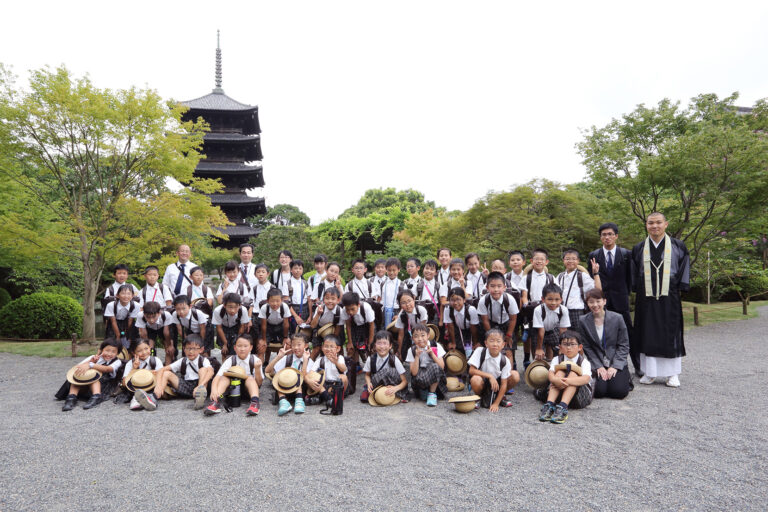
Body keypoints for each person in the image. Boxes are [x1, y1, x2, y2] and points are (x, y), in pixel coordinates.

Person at [632, 212, 690, 387]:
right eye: (651, 223)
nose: (654, 226)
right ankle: (650, 373)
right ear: (646, 225)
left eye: (658, 222)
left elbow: (684, 267)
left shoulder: (678, 246)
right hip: (646, 297)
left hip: (669, 296)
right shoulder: (639, 247)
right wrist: (635, 288)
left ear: (666, 224)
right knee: (647, 332)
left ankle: (672, 374)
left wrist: (681, 286)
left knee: (670, 333)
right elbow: (635, 273)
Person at [589, 223, 636, 375]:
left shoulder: (626, 254)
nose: (607, 237)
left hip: (621, 299)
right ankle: (603, 365)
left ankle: (637, 365)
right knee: (601, 332)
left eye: (610, 234)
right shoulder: (594, 255)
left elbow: (631, 278)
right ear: (600, 237)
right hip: (601, 301)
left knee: (627, 333)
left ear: (616, 236)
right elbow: (592, 280)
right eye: (604, 234)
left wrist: (625, 293)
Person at [578, 289, 631, 399]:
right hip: (597, 360)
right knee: (599, 392)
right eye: (591, 302)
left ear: (604, 301)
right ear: (587, 303)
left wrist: (615, 366)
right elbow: (586, 346)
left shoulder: (617, 318)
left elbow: (623, 345)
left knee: (618, 392)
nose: (595, 305)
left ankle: (625, 377)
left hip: (615, 359)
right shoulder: (583, 320)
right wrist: (598, 366)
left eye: (598, 301)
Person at [537, 330, 593, 424]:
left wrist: (566, 381)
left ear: (580, 347)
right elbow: (550, 374)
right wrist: (556, 380)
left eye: (572, 344)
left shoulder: (584, 362)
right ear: (560, 347)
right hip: (558, 392)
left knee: (574, 373)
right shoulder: (556, 359)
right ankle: (549, 404)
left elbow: (586, 379)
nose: (569, 348)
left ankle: (563, 407)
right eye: (565, 344)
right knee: (559, 372)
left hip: (579, 397)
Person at [57, 339, 122, 411]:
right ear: (101, 350)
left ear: (117, 353)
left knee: (95, 379)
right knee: (78, 376)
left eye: (113, 352)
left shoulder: (117, 361)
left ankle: (96, 396)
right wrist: (91, 361)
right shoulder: (94, 358)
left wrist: (91, 365)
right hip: (85, 386)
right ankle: (72, 397)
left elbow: (107, 369)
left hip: (103, 386)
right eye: (107, 350)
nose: (109, 354)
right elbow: (78, 367)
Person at [205, 334, 263, 416]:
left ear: (251, 348)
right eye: (239, 346)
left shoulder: (255, 360)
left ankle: (255, 403)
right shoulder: (230, 360)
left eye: (245, 346)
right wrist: (214, 390)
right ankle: (215, 401)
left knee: (250, 378)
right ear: (235, 348)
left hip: (248, 391)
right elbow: (217, 376)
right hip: (232, 391)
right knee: (224, 377)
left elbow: (259, 383)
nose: (242, 349)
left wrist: (257, 369)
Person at [150, 334, 212, 410]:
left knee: (203, 370)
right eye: (188, 348)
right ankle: (154, 398)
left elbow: (211, 372)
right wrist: (158, 385)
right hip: (186, 385)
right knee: (166, 373)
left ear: (201, 350)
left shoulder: (204, 360)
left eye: (194, 349)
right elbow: (162, 370)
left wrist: (200, 386)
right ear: (183, 349)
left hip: (200, 385)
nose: (191, 351)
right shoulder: (182, 360)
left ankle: (199, 399)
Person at [477, 271, 519, 369]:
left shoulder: (510, 299)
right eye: (492, 286)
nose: (496, 289)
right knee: (491, 348)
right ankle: (491, 372)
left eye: (499, 286)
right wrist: (490, 335)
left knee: (508, 350)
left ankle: (509, 373)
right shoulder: (483, 300)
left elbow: (513, 319)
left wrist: (508, 335)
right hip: (490, 325)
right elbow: (485, 320)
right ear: (487, 288)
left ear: (504, 287)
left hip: (506, 324)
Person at [468, 329, 518, 411]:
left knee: (515, 375)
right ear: (486, 343)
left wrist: (496, 403)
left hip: (497, 384)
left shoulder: (505, 360)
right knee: (475, 379)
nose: (495, 344)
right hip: (483, 381)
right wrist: (490, 376)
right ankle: (479, 397)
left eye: (498, 341)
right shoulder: (480, 351)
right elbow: (471, 370)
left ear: (503, 345)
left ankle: (501, 397)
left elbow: (504, 384)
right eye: (491, 341)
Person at [263, 333, 310, 416]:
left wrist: (305, 361)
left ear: (306, 345)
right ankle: (284, 402)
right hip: (285, 389)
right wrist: (278, 357)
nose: (296, 348)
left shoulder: (309, 360)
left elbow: (304, 377)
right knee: (279, 377)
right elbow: (267, 370)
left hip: (300, 390)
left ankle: (299, 402)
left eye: (299, 345)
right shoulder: (287, 358)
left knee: (297, 376)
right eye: (293, 345)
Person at [340, 292, 376, 394]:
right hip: (355, 326)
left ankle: (372, 371)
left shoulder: (366, 308)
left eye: (352, 309)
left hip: (367, 326)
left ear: (358, 305)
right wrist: (350, 342)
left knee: (371, 349)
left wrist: (370, 341)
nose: (350, 312)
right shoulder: (344, 311)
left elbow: (371, 325)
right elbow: (348, 325)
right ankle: (355, 369)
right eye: (348, 309)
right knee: (353, 348)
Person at [405, 323, 447, 406]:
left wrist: (432, 354)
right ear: (413, 338)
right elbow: (414, 373)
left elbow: (441, 367)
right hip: (420, 378)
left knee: (435, 366)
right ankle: (424, 391)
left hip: (435, 377)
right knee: (423, 397)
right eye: (416, 336)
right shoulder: (412, 349)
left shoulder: (436, 345)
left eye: (422, 335)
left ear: (428, 335)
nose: (420, 339)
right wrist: (417, 356)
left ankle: (432, 393)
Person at [361, 330, 408, 403]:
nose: (382, 346)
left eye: (385, 343)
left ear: (390, 346)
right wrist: (368, 383)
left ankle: (394, 394)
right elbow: (367, 375)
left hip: (391, 385)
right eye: (379, 343)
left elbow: (404, 381)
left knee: (390, 371)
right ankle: (374, 393)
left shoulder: (394, 359)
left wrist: (396, 388)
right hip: (377, 384)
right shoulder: (371, 359)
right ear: (375, 345)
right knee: (384, 373)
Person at [556, 249, 599, 329]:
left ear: (578, 261)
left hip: (577, 311)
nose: (570, 261)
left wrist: (596, 273)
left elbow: (598, 290)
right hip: (561, 310)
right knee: (563, 337)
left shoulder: (582, 276)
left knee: (579, 337)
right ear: (563, 260)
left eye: (573, 259)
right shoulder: (560, 276)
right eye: (567, 259)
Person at [117, 338, 162, 409]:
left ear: (150, 348)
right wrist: (134, 369)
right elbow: (124, 382)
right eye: (139, 351)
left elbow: (161, 376)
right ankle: (137, 399)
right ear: (133, 353)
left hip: (152, 388)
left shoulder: (156, 360)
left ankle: (145, 399)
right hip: (134, 389)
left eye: (146, 348)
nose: (144, 352)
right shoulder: (130, 363)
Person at [532, 283, 571, 360]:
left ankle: (551, 364)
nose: (553, 303)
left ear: (561, 299)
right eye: (550, 299)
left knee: (555, 353)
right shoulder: (538, 310)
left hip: (552, 330)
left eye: (557, 299)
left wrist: (562, 346)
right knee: (538, 356)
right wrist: (539, 348)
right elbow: (541, 330)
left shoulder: (563, 310)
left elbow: (563, 330)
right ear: (543, 299)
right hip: (538, 331)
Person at [305, 335, 348, 404]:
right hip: (325, 384)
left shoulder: (340, 358)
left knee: (343, 377)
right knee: (313, 379)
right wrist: (310, 381)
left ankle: (321, 398)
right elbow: (310, 373)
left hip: (337, 386)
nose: (328, 349)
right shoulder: (320, 360)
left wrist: (336, 362)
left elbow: (343, 369)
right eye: (326, 346)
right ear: (322, 348)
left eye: (331, 346)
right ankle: (328, 399)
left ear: (338, 349)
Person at [259, 288, 292, 365]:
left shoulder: (285, 307)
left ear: (282, 300)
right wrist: (264, 339)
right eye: (272, 301)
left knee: (288, 345)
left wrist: (285, 337)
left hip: (281, 327)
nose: (275, 304)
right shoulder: (264, 308)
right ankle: (261, 368)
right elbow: (263, 326)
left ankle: (286, 366)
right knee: (261, 347)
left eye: (277, 301)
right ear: (267, 301)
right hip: (268, 327)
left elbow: (286, 324)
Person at [308, 286, 343, 359]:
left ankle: (337, 364)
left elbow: (338, 327)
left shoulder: (340, 311)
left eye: (333, 299)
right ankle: (309, 366)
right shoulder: (320, 308)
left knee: (335, 348)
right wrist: (318, 314)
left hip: (333, 330)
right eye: (327, 298)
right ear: (323, 299)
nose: (330, 301)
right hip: (319, 329)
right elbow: (312, 326)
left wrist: (331, 342)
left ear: (338, 300)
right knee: (316, 349)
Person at [443, 287, 480, 354]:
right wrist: (453, 342)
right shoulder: (448, 309)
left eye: (458, 300)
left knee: (471, 349)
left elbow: (473, 329)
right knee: (457, 348)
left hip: (469, 330)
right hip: (457, 329)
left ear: (464, 300)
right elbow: (450, 327)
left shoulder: (471, 310)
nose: (455, 303)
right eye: (452, 300)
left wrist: (475, 343)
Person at [212, 293, 250, 357]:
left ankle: (235, 364)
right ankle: (224, 365)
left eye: (235, 307)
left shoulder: (243, 310)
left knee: (235, 349)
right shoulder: (217, 311)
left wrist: (237, 341)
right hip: (223, 328)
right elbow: (219, 328)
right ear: (224, 305)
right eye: (230, 307)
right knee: (224, 351)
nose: (232, 310)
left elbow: (242, 327)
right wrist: (225, 343)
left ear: (240, 305)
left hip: (236, 327)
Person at [394, 289, 429, 360]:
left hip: (423, 334)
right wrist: (399, 351)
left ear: (413, 299)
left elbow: (422, 330)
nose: (407, 305)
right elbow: (401, 335)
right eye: (403, 303)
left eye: (409, 301)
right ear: (400, 305)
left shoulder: (421, 310)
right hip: (410, 334)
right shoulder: (401, 315)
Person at [286, 259, 311, 328]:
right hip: (292, 310)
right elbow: (286, 302)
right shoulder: (287, 284)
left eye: (300, 268)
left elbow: (309, 300)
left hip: (305, 309)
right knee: (293, 333)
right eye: (295, 268)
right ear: (291, 270)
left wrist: (310, 315)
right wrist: (296, 316)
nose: (298, 270)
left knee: (305, 333)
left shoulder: (305, 283)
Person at [380, 257, 404, 327]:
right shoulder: (383, 283)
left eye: (394, 270)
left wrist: (398, 315)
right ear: (386, 270)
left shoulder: (401, 284)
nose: (391, 272)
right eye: (389, 270)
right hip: (384, 311)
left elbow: (403, 301)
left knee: (395, 331)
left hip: (397, 311)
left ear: (399, 270)